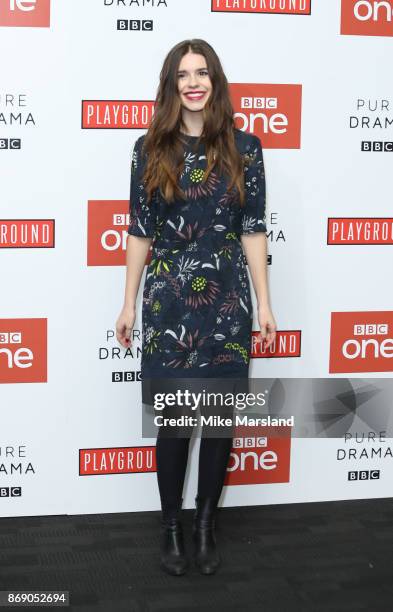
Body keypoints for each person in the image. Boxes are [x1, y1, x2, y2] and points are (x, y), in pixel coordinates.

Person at [116, 39, 276, 576]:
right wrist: (128, 304)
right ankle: (171, 528)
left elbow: (253, 229)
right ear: (170, 84)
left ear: (215, 81)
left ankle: (206, 526)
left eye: (202, 72)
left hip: (227, 301)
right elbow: (140, 231)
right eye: (182, 74)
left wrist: (265, 305)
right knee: (176, 422)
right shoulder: (149, 149)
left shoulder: (245, 147)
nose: (193, 82)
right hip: (167, 307)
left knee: (219, 421)